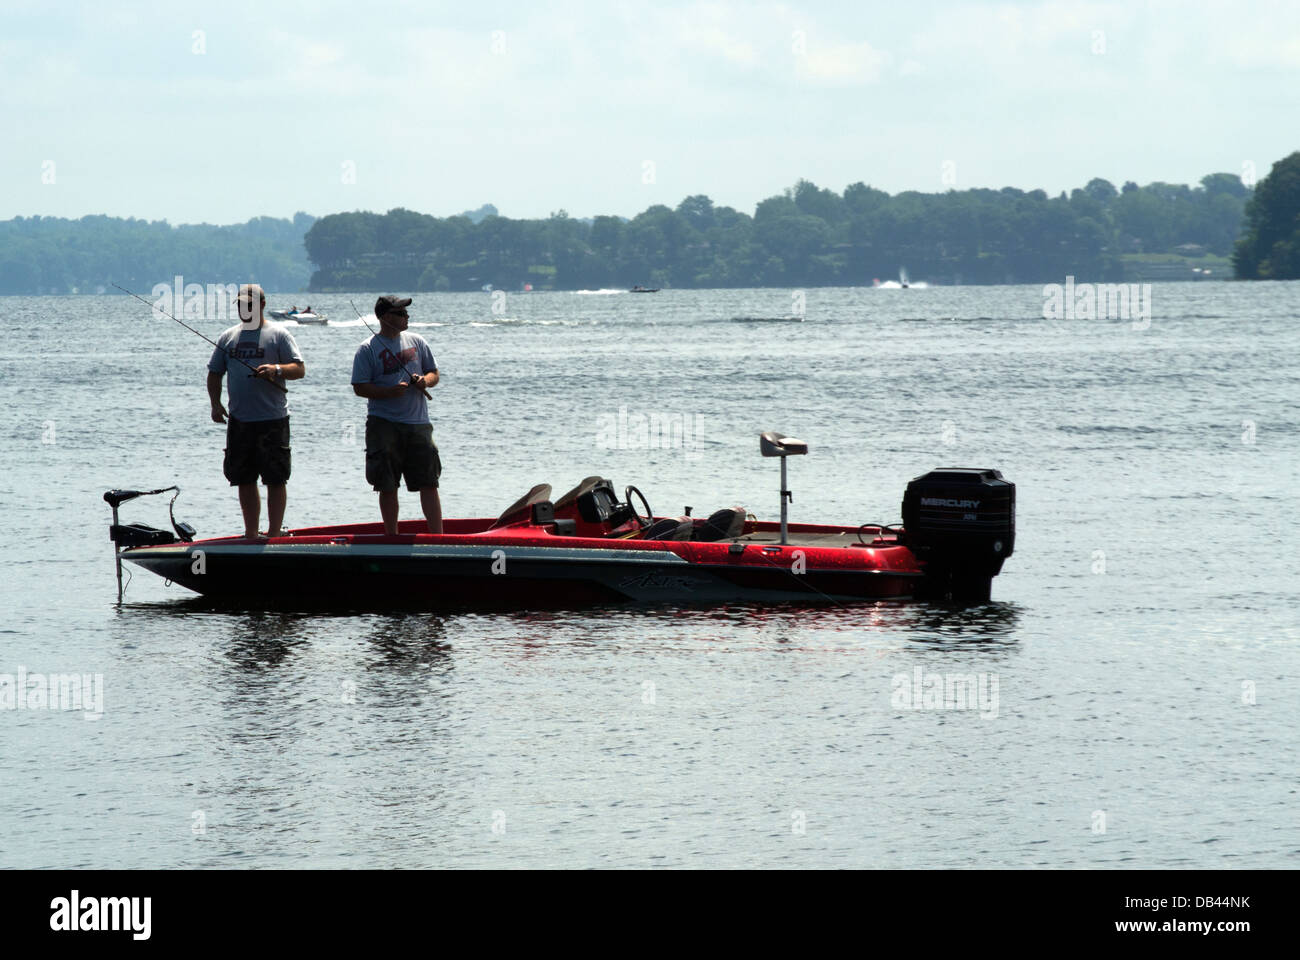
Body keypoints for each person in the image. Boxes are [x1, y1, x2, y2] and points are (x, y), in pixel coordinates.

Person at [206, 283, 305, 539]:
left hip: (273, 419)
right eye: (240, 305)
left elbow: (299, 369)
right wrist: (215, 404)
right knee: (243, 477)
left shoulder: (279, 334)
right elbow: (215, 373)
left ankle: (273, 533)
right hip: (240, 421)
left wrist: (276, 370)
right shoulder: (228, 337)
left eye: (249, 304)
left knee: (275, 478)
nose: (244, 309)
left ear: (262, 304)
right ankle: (251, 532)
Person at [351, 295, 443, 535]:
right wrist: (388, 392)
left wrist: (425, 381)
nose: (407, 317)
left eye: (406, 313)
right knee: (387, 484)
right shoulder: (367, 349)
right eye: (401, 313)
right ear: (385, 318)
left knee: (429, 482)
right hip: (384, 424)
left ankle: (438, 536)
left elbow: (433, 373)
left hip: (419, 424)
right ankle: (391, 536)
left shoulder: (417, 341)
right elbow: (360, 387)